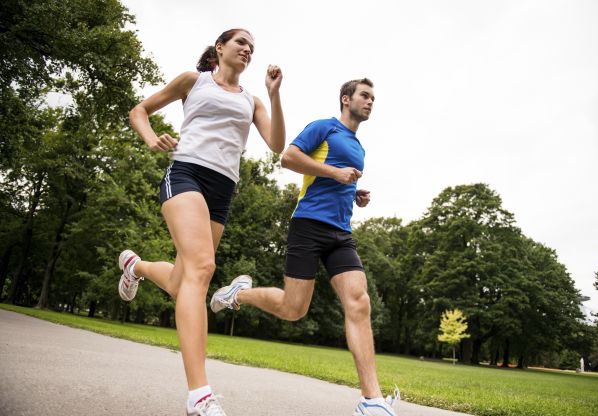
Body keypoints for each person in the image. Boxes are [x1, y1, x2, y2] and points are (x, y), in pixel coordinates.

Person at [210, 78, 401, 416]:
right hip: (309, 226)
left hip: (341, 232)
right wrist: (334, 174)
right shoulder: (323, 127)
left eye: (374, 97)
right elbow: (288, 158)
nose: (371, 102)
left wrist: (353, 193)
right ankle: (238, 294)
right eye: (365, 95)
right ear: (346, 99)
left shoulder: (359, 146)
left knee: (359, 302)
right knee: (293, 309)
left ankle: (371, 400)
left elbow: (336, 179)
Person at [120, 28, 285, 416]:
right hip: (186, 174)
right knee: (203, 268)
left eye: (252, 47)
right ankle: (199, 395)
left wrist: (275, 95)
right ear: (220, 48)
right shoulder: (193, 82)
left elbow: (277, 144)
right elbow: (138, 111)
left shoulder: (252, 100)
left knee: (183, 283)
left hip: (222, 190)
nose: (247, 49)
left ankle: (136, 266)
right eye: (240, 42)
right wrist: (149, 138)